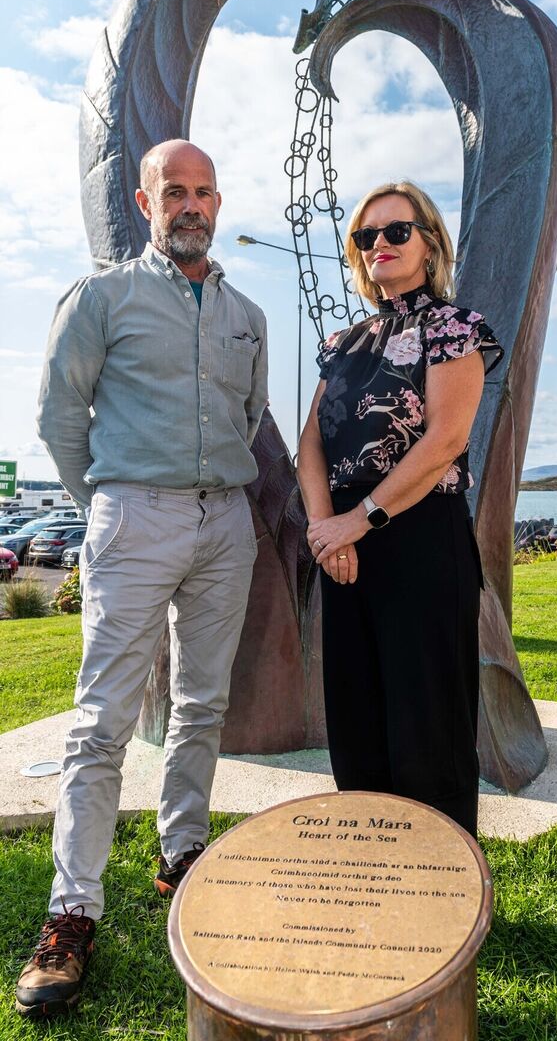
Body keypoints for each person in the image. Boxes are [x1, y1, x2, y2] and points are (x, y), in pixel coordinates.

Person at [16, 140, 267, 1019]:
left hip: (225, 522)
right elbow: (58, 415)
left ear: (217, 203)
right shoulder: (100, 297)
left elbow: (248, 415)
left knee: (202, 704)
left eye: (203, 192)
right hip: (134, 516)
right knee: (102, 723)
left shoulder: (246, 314)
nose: (190, 205)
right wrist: (111, 504)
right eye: (174, 192)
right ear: (144, 201)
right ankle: (71, 914)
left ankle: (183, 854)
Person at [297, 180, 502, 843]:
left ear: (429, 243)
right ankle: (371, 877)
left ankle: (443, 883)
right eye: (366, 235)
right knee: (356, 719)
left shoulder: (452, 328)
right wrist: (325, 531)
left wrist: (356, 522)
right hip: (345, 552)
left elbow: (445, 441)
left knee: (428, 727)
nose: (379, 244)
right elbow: (310, 446)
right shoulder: (342, 343)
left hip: (420, 541)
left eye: (396, 231)